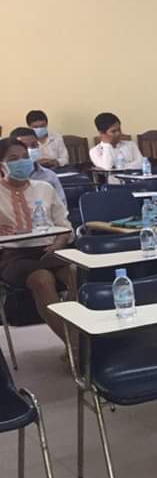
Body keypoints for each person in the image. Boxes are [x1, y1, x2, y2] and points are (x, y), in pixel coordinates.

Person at [0, 138, 73, 344]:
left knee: (76, 274)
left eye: (24, 157)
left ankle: (79, 337)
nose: (21, 162)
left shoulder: (44, 188)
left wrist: (59, 243)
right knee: (42, 280)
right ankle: (74, 347)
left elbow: (64, 225)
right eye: (13, 159)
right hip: (13, 255)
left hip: (51, 248)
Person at [9, 128, 66, 207]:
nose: (29, 150)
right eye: (24, 146)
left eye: (33, 145)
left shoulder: (50, 175)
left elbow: (61, 206)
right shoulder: (4, 178)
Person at [89, 112, 144, 183]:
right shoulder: (95, 151)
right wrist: (107, 145)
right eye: (113, 131)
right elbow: (107, 167)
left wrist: (117, 167)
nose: (118, 133)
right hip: (113, 186)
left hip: (136, 183)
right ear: (101, 133)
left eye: (119, 130)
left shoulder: (131, 145)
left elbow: (141, 164)